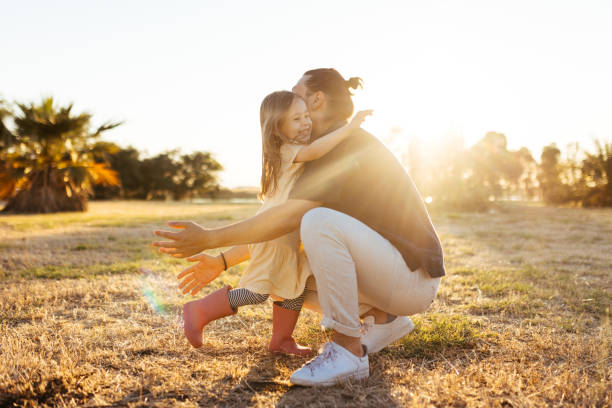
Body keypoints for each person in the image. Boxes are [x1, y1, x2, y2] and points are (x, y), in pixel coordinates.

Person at [153, 68, 445, 387]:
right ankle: (383, 320)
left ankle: (347, 350)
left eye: (297, 92)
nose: (291, 97)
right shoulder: (317, 151)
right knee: (289, 268)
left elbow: (290, 218)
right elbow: (277, 234)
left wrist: (210, 238)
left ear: (316, 100)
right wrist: (223, 260)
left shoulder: (343, 146)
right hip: (394, 280)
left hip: (412, 278)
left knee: (316, 222)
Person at [176, 89, 373, 357]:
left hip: (290, 238)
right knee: (258, 292)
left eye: (306, 116)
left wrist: (222, 260)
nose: (305, 123)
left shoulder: (288, 150)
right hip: (275, 234)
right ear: (277, 128)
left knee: (293, 290)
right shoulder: (286, 149)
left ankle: (281, 339)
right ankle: (201, 310)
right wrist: (349, 129)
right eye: (296, 119)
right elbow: (315, 151)